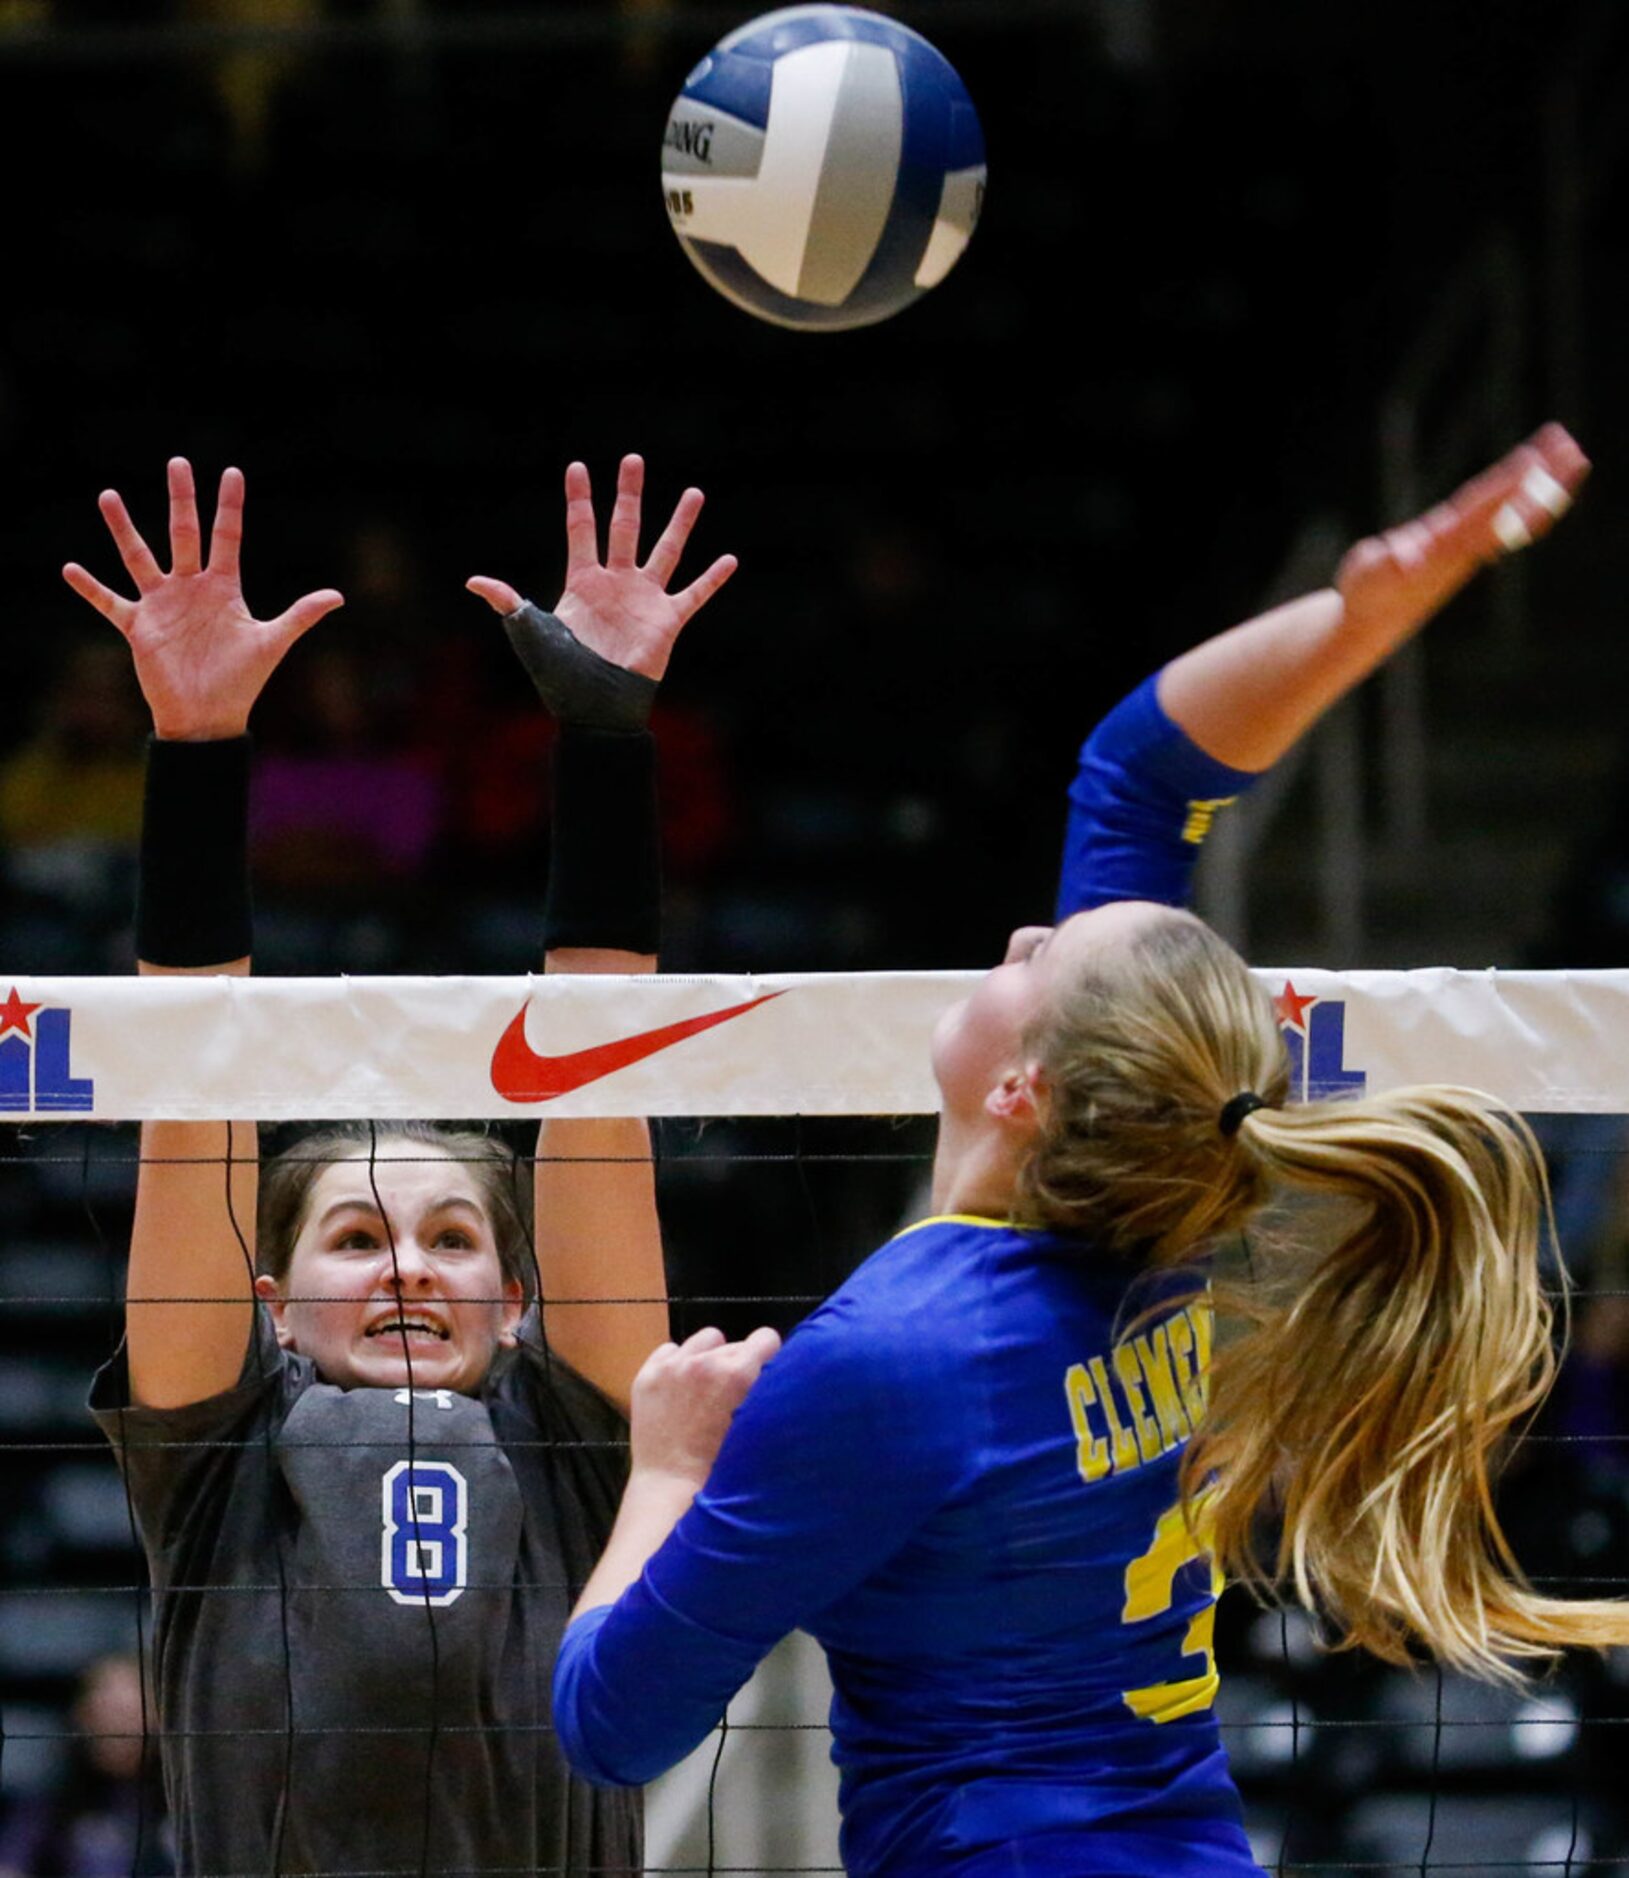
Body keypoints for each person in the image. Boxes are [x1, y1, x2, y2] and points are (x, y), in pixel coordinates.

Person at [549, 425, 1629, 1877]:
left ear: (1021, 1090)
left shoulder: (899, 1352)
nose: (1019, 932)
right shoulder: (1168, 1215)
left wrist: (668, 1463)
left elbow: (609, 1725)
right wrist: (1370, 606)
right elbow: (1133, 778)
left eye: (1042, 949)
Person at [67, 451, 735, 1878]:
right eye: (358, 1240)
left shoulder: (574, 1441)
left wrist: (606, 741)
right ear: (269, 1294)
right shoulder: (218, 1450)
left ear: (517, 1296)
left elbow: (597, 1078)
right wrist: (195, 745)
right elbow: (192, 1085)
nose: (410, 1266)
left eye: (450, 1237)